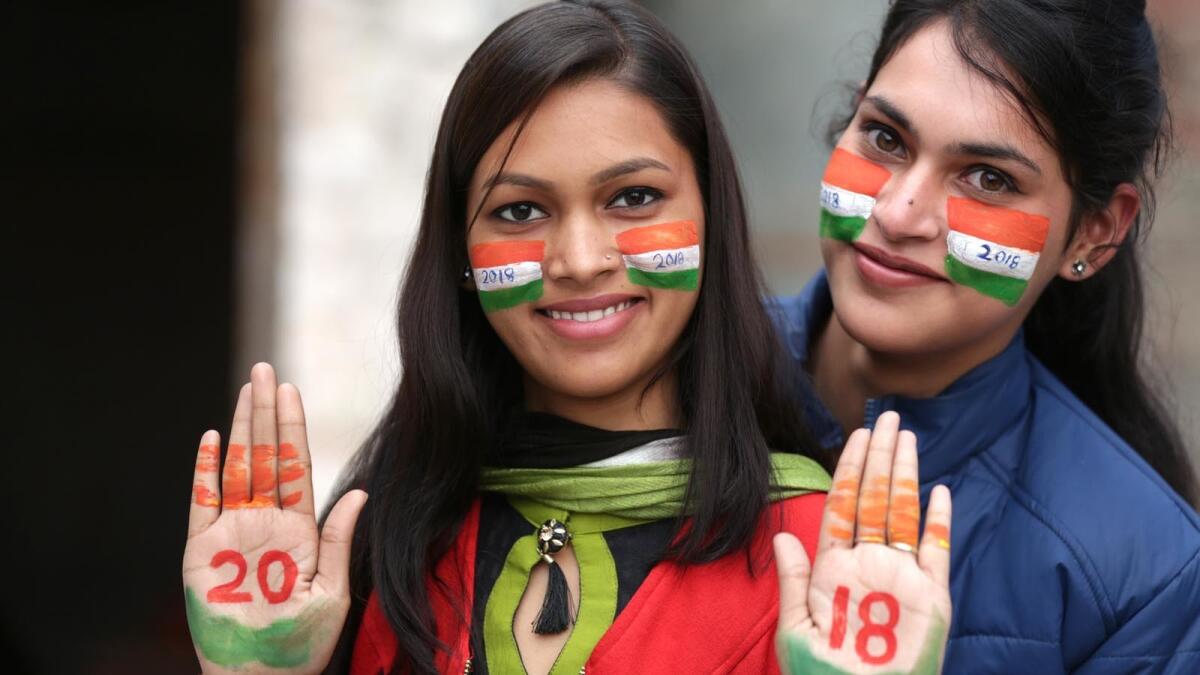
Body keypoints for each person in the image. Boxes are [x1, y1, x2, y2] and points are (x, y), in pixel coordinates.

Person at [181, 2, 955, 674]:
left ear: (713, 219)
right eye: (520, 211)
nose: (581, 260)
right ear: (460, 255)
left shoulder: (819, 559)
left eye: (634, 197)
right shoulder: (388, 542)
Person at [775, 0, 1200, 671]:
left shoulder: (1145, 580)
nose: (899, 211)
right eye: (886, 138)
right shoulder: (661, 376)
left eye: (989, 178)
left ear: (1095, 232)